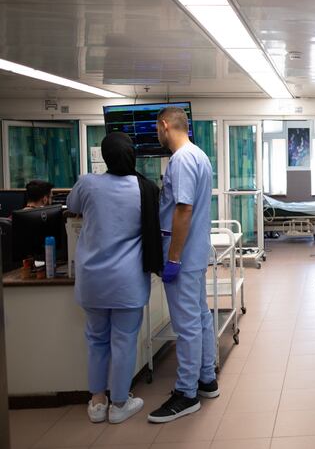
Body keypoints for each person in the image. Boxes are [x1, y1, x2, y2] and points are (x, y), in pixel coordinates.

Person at [66, 133, 161, 424]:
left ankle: (97, 403)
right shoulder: (144, 188)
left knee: (96, 340)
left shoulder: (88, 183)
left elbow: (71, 207)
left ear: (105, 157)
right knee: (124, 341)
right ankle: (119, 403)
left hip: (93, 279)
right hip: (127, 281)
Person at [148, 106, 216, 424]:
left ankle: (186, 394)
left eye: (157, 130)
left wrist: (172, 257)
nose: (157, 135)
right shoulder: (199, 155)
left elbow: (183, 209)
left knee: (187, 325)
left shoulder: (182, 159)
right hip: (195, 252)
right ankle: (206, 379)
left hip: (183, 256)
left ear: (165, 125)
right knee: (200, 318)